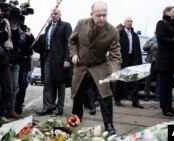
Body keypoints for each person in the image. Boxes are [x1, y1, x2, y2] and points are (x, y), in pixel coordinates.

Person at [68, 1, 122, 136]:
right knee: (77, 96)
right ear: (91, 14)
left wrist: (115, 72)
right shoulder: (81, 23)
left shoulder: (113, 31)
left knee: (105, 95)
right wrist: (74, 54)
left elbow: (115, 56)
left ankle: (109, 125)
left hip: (99, 64)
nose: (101, 18)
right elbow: (72, 40)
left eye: (104, 15)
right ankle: (75, 120)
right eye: (98, 15)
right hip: (81, 65)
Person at [34, 8, 72, 116]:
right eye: (52, 13)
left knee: (60, 83)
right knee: (47, 83)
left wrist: (67, 59)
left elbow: (68, 44)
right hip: (48, 57)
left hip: (60, 59)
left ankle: (60, 108)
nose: (53, 15)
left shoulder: (65, 25)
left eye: (55, 13)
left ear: (60, 15)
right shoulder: (48, 27)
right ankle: (47, 107)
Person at [155, 6, 174, 117]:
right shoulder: (161, 23)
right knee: (164, 85)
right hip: (163, 59)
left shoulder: (172, 23)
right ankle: (165, 108)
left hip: (171, 58)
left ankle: (170, 107)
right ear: (167, 12)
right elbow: (160, 38)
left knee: (169, 84)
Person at [114, 17, 144, 109]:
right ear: (124, 23)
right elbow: (115, 47)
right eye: (128, 21)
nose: (130, 23)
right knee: (120, 80)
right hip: (122, 59)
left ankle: (135, 101)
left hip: (132, 59)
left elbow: (138, 50)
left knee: (134, 80)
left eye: (131, 21)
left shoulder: (134, 35)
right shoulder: (120, 34)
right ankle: (117, 99)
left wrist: (139, 62)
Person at [15, 24, 34, 115]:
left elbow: (32, 45)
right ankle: (14, 104)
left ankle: (19, 103)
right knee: (15, 85)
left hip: (25, 63)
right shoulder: (16, 29)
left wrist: (30, 35)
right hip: (17, 61)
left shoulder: (25, 30)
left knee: (23, 84)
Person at [143, 33, 158, 101]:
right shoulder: (149, 40)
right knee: (147, 80)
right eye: (155, 33)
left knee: (159, 80)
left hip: (158, 63)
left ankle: (157, 96)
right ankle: (146, 96)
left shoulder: (161, 41)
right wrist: (150, 44)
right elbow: (144, 48)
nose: (156, 34)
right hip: (150, 63)